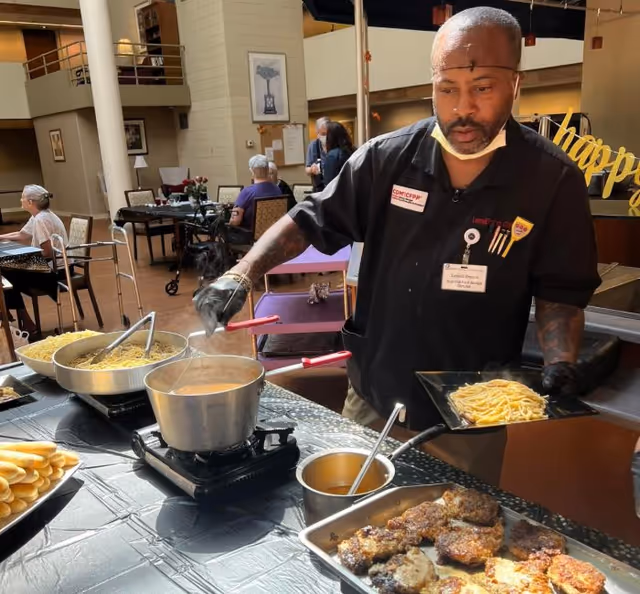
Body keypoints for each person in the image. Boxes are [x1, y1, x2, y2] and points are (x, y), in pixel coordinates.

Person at [195, 8, 600, 484]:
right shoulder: (386, 160)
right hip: (374, 395)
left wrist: (561, 362)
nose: (462, 108)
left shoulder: (551, 180)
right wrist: (240, 273)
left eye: (483, 88)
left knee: (460, 539)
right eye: (446, 89)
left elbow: (561, 291)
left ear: (515, 84)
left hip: (470, 414)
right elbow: (309, 219)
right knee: (352, 516)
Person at [0, 185, 69, 335]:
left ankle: (16, 316)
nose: (21, 200)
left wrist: (21, 257)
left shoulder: (41, 220)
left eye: (23, 198)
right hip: (49, 266)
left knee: (6, 273)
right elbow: (22, 235)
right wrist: (1, 237)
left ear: (30, 202)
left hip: (54, 270)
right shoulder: (39, 215)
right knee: (6, 271)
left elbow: (47, 252)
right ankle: (17, 317)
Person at [229, 155, 281, 237]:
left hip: (250, 238)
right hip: (273, 236)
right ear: (268, 170)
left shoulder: (247, 192)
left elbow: (235, 221)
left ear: (252, 172)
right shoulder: (277, 190)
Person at [323, 121, 356, 186]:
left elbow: (329, 185)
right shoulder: (353, 150)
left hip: (340, 194)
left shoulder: (332, 156)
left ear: (330, 137)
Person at [305, 117, 329, 192]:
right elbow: (307, 169)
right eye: (323, 134)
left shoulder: (335, 144)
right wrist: (312, 169)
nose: (326, 137)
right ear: (317, 133)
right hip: (319, 189)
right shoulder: (313, 146)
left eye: (328, 134)